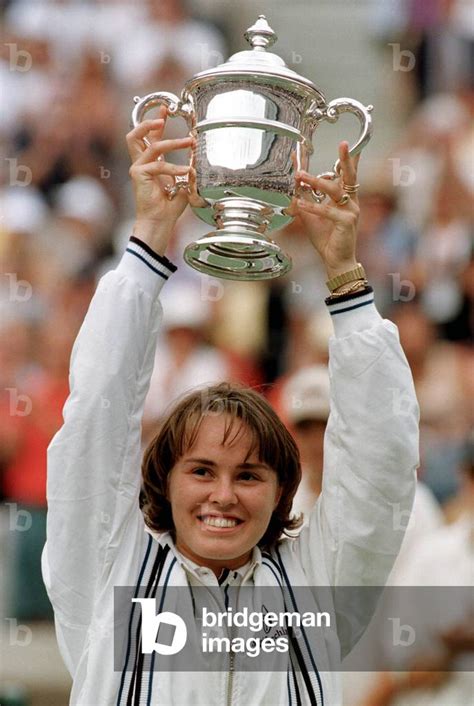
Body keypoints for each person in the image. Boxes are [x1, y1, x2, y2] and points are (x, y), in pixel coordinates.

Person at [42, 112, 419, 705]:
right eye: (201, 470)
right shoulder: (106, 567)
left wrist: (345, 275)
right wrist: (148, 237)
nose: (223, 495)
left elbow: (382, 467)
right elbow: (98, 410)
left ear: (282, 490)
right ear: (162, 480)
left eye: (249, 474)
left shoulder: (318, 582)